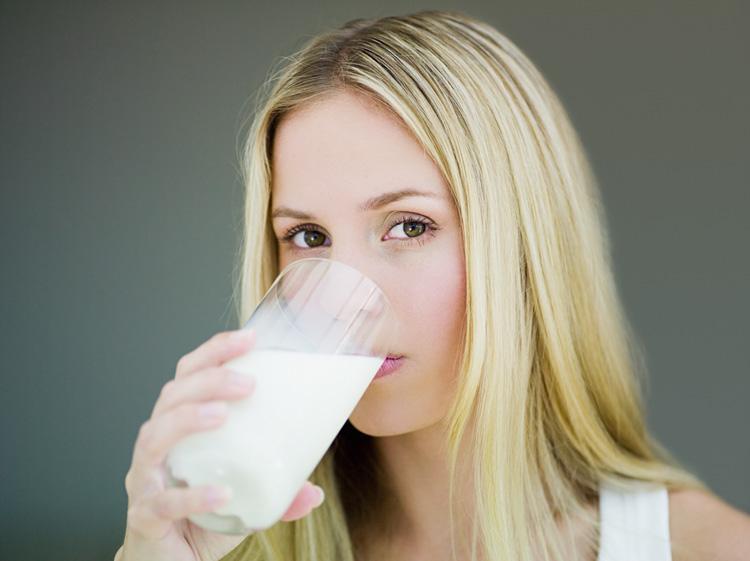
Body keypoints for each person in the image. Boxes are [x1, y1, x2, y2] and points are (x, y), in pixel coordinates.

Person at [115, 10, 750, 561]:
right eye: (308, 236)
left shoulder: (709, 549)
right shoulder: (223, 545)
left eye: (409, 226)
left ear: (521, 246)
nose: (346, 295)